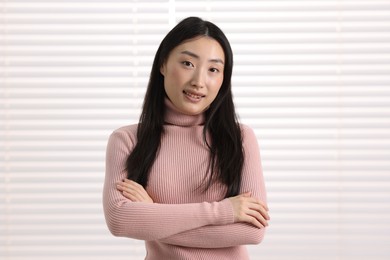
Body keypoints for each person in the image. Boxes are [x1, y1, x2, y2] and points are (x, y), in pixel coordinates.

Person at [103, 16, 270, 260]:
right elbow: (120, 220)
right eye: (187, 63)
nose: (198, 82)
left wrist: (153, 215)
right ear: (163, 64)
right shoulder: (127, 140)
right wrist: (223, 211)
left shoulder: (241, 138)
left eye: (213, 69)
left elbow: (252, 231)